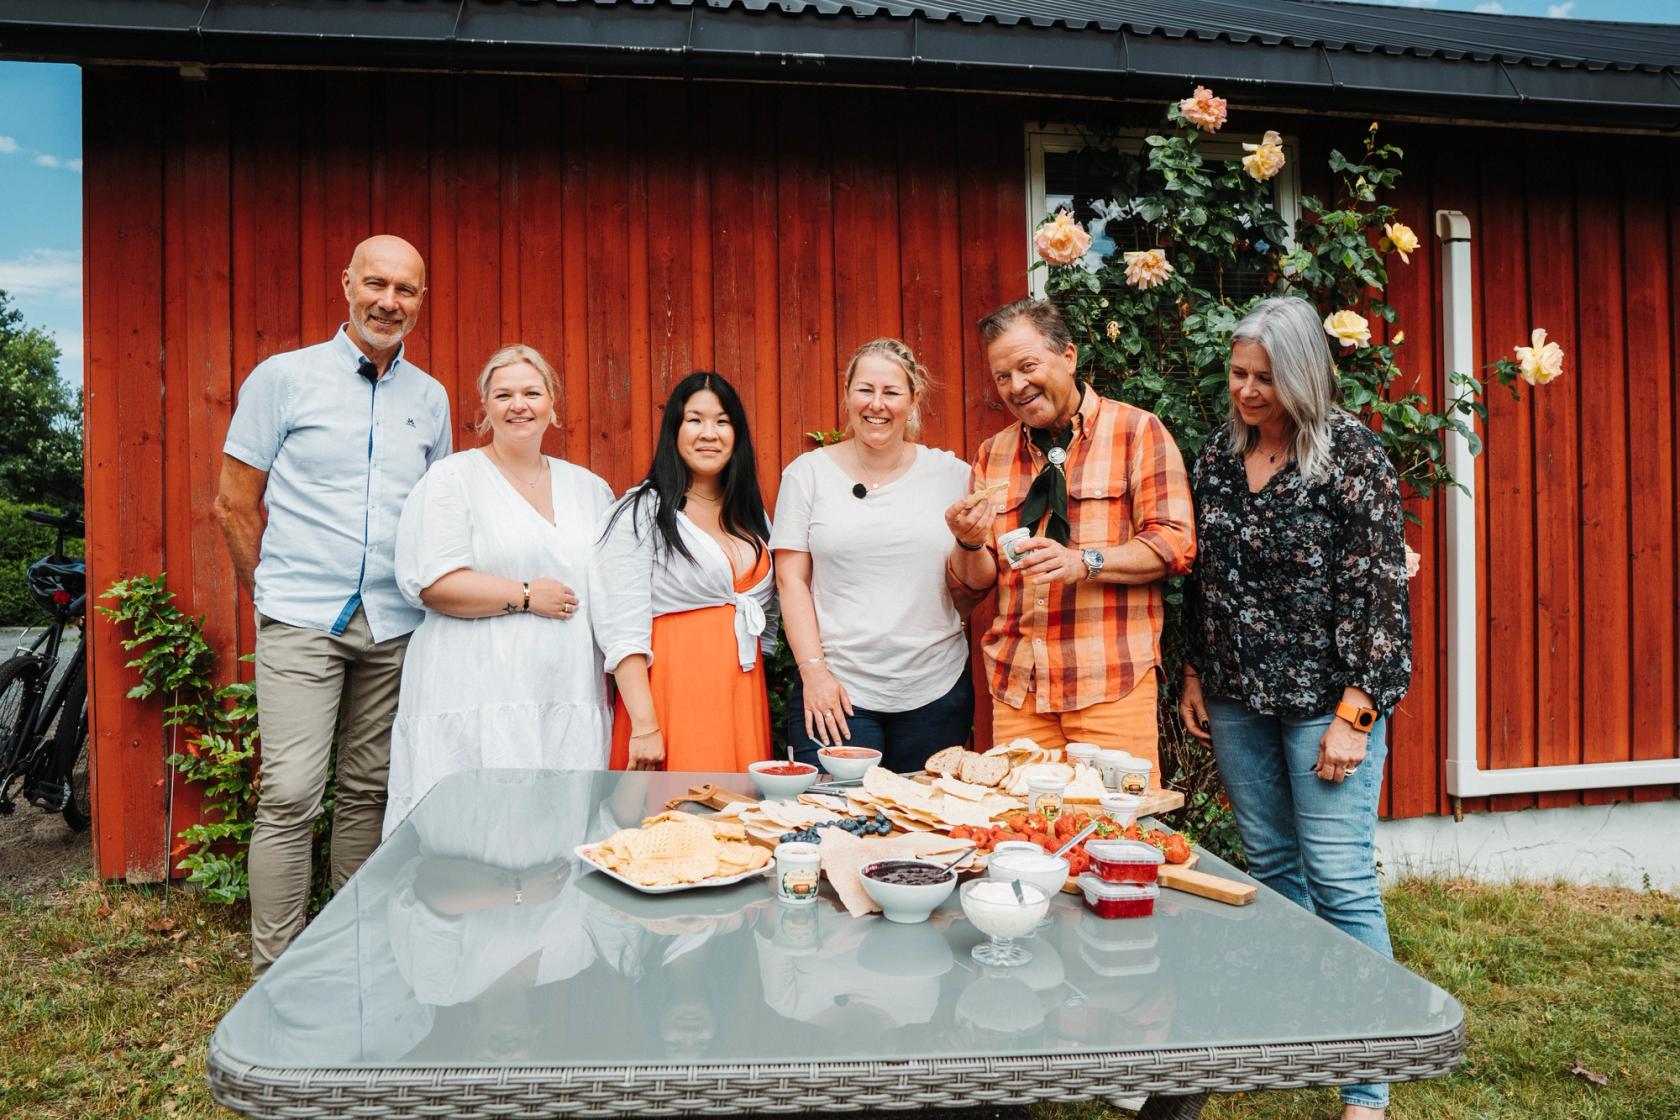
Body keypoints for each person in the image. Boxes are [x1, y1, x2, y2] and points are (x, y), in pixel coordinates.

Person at [1178, 296, 1411, 1120]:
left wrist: (1358, 714)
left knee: (1341, 881)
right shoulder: (1216, 456)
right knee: (1274, 874)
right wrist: (1197, 671)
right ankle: (1307, 1031)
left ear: (1303, 377)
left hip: (1325, 702)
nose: (1245, 391)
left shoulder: (1351, 456)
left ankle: (1368, 1082)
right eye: (1238, 374)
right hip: (1239, 696)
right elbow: (1204, 581)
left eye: (1264, 380)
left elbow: (1382, 595)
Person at [215, 234, 451, 975]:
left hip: (394, 623)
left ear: (421, 301)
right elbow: (232, 504)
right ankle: (276, 973)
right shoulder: (282, 379)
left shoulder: (432, 397)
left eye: (405, 290)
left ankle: (351, 955)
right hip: (302, 618)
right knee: (289, 794)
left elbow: (437, 514)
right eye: (376, 284)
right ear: (346, 283)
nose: (389, 301)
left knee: (367, 792)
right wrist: (274, 595)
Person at [945, 298, 1194, 782]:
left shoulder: (1138, 431)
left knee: (1121, 836)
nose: (1016, 386)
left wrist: (1085, 562)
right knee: (1027, 841)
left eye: (1027, 366)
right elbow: (976, 586)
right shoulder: (991, 456)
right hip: (1021, 692)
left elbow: (1175, 542)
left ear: (1069, 356)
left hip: (1111, 684)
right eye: (1002, 376)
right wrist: (970, 544)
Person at [382, 344, 614, 837]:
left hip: (566, 690)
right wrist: (527, 594)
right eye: (503, 394)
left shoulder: (590, 489)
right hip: (478, 688)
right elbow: (435, 583)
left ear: (553, 404)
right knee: (473, 828)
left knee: (561, 829)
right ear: (484, 408)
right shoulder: (451, 479)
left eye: (532, 392)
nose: (518, 405)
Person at [771, 339, 974, 771]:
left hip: (935, 691)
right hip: (837, 695)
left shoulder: (953, 476)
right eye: (865, 390)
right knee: (837, 828)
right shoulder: (807, 475)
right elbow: (791, 581)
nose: (876, 405)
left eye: (891, 392)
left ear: (914, 399)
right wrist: (813, 671)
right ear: (847, 394)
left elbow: (975, 575)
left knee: (923, 833)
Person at [592, 372, 777, 771]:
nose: (708, 433)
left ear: (737, 434)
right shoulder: (641, 513)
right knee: (676, 822)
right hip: (672, 698)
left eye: (722, 421)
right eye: (695, 419)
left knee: (740, 823)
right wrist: (644, 726)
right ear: (674, 431)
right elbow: (621, 630)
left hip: (742, 696)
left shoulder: (752, 518)